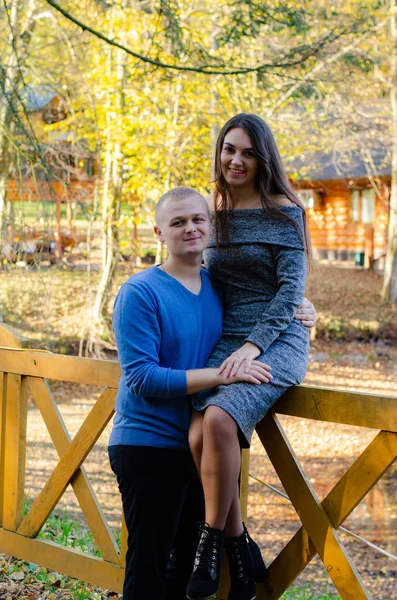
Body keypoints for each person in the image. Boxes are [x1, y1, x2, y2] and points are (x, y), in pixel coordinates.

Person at [108, 187, 274, 600]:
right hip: (148, 445)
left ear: (211, 224)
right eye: (178, 222)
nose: (190, 229)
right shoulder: (140, 292)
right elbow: (143, 378)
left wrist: (305, 308)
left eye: (198, 219)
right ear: (159, 232)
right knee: (148, 571)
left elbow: (268, 303)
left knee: (189, 575)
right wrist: (223, 375)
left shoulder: (218, 286)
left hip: (200, 449)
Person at [186, 113, 312, 600]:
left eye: (248, 152)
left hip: (275, 340)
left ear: (264, 158)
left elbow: (289, 293)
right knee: (196, 432)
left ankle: (210, 542)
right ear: (219, 152)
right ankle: (240, 545)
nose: (236, 160)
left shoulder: (285, 211)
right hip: (226, 337)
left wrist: (252, 347)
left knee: (218, 419)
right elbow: (192, 268)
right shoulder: (211, 211)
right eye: (229, 149)